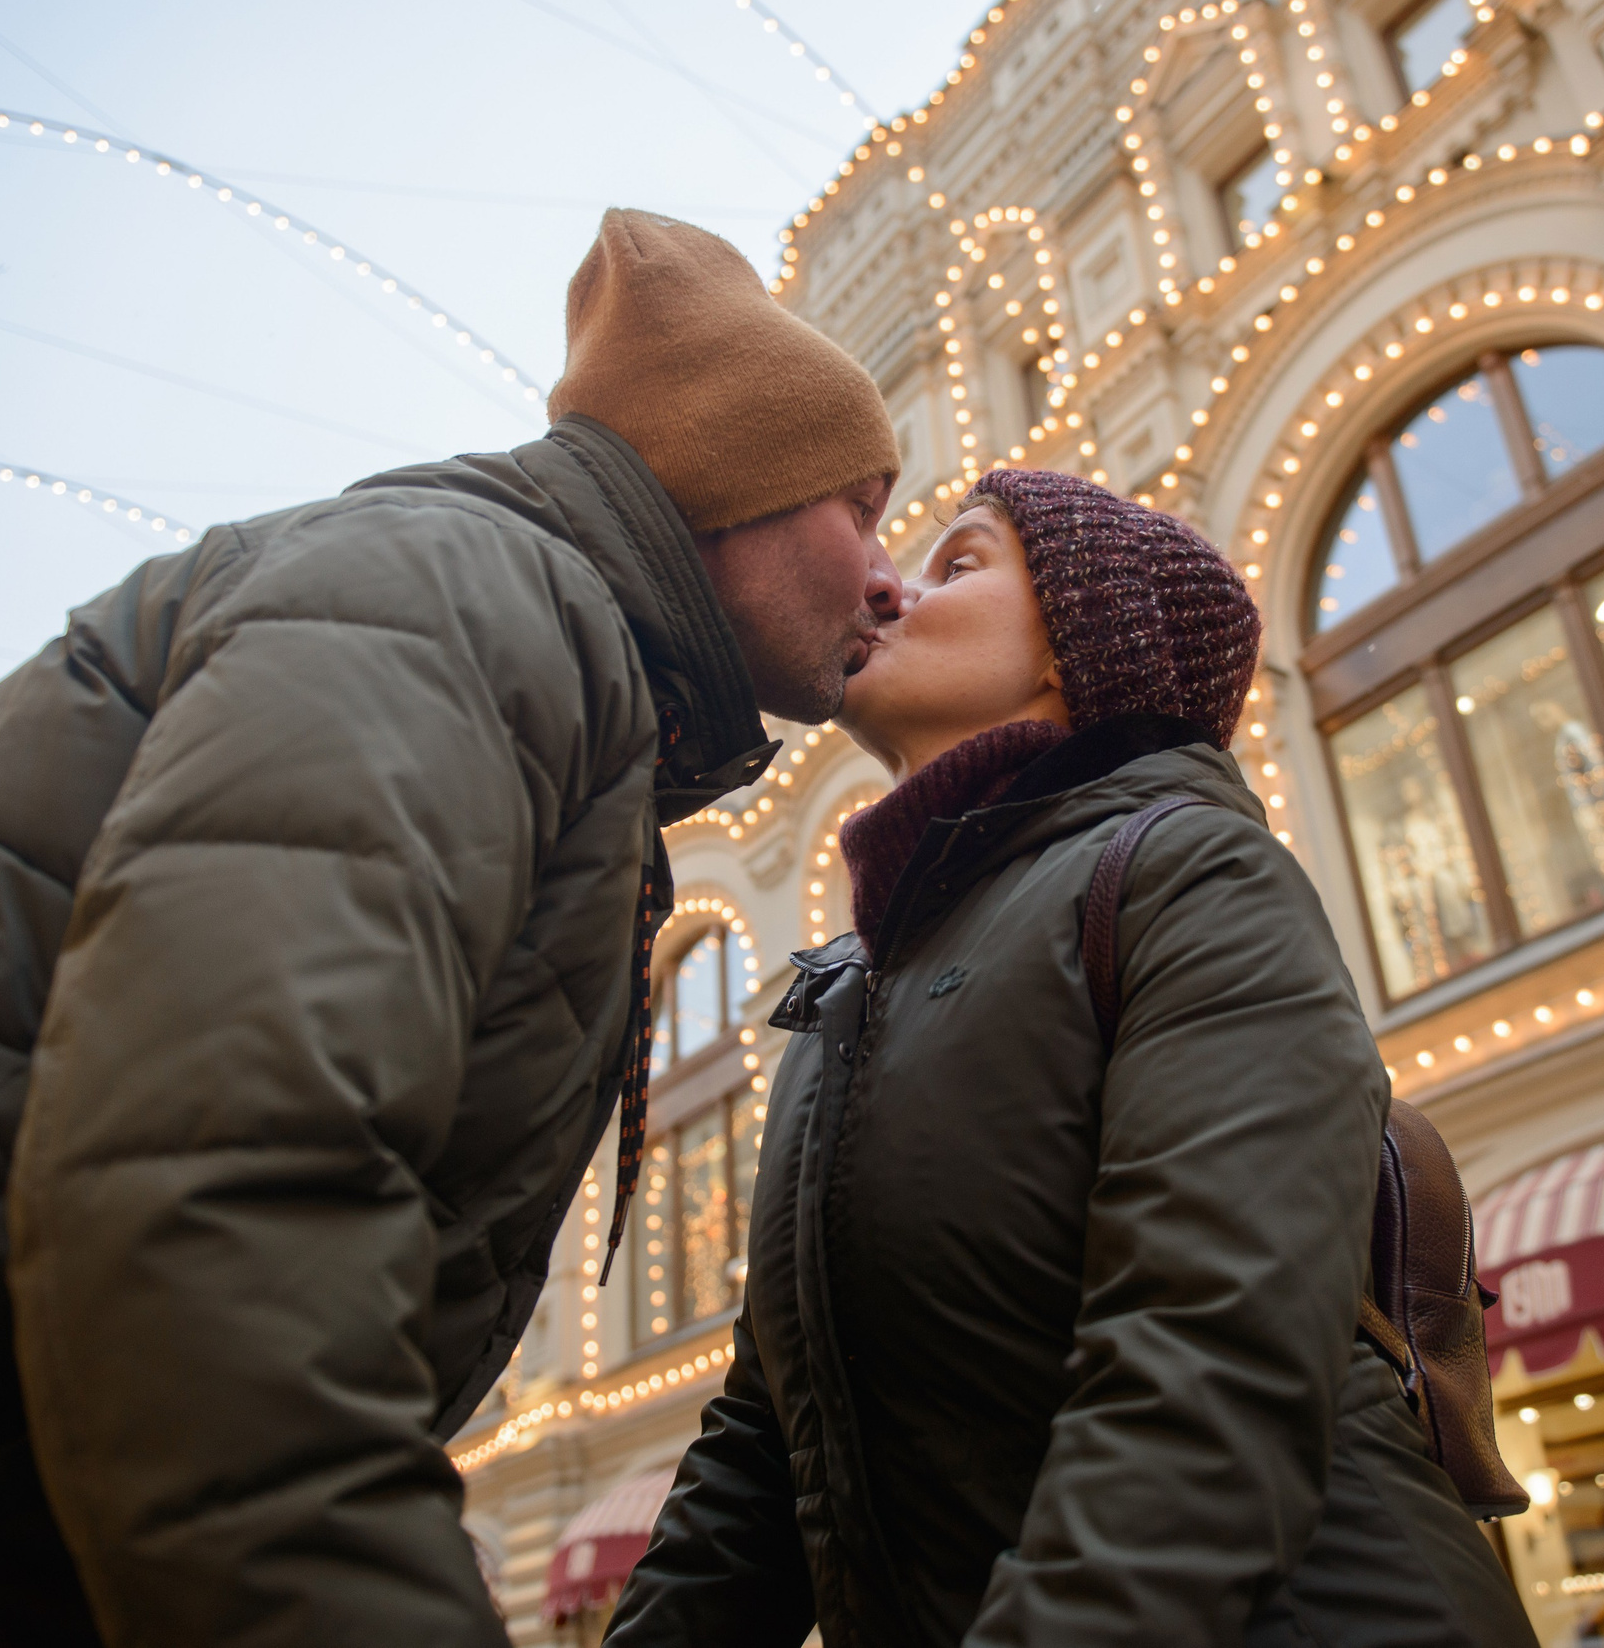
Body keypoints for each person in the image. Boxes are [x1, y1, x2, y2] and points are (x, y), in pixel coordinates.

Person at [0, 211, 903, 1648]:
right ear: (732, 472)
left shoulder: (553, 675)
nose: (885, 573)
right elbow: (219, 1189)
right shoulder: (472, 607)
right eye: (859, 508)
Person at [607, 469, 1537, 1648]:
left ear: (1077, 646)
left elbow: (1209, 1360)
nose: (885, 587)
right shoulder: (846, 989)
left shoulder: (1186, 872)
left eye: (958, 563)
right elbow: (762, 1450)